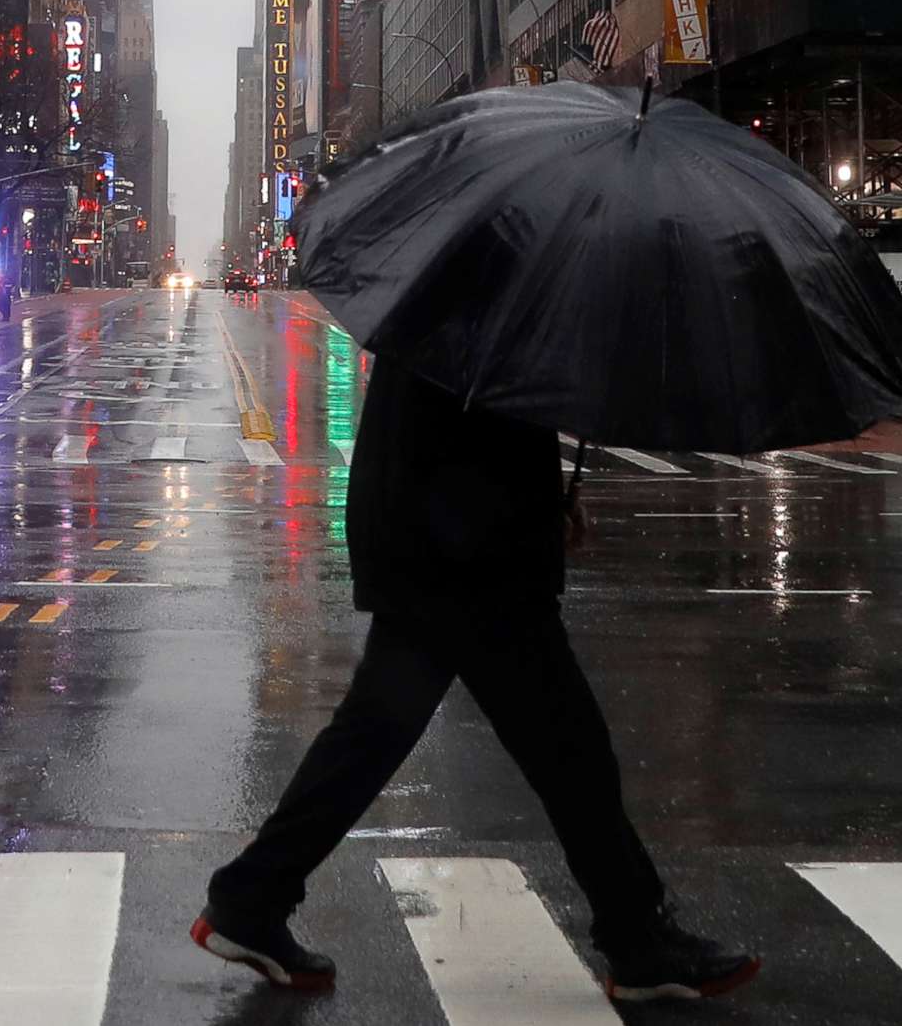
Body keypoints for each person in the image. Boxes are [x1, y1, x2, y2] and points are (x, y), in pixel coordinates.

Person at [192, 356, 760, 1002]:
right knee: (569, 749)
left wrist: (549, 507)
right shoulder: (484, 299)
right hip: (468, 557)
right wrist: (539, 514)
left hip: (441, 544)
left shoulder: (455, 289)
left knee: (380, 740)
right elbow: (484, 427)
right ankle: (638, 939)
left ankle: (251, 894)